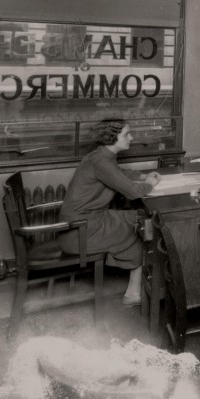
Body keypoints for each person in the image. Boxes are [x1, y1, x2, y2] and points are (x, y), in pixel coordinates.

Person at [59, 119, 162, 307]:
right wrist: (149, 184)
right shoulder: (101, 161)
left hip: (89, 221)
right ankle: (134, 293)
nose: (131, 137)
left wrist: (141, 176)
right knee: (142, 228)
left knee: (140, 218)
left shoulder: (102, 156)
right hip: (80, 231)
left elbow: (118, 172)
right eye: (126, 134)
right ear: (111, 138)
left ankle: (135, 288)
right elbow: (132, 192)